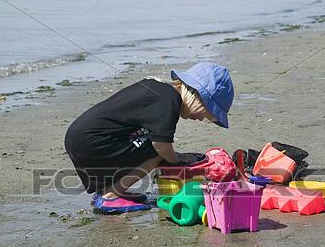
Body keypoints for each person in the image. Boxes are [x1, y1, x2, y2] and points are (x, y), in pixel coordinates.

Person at [64, 62, 234, 213]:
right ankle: (110, 196)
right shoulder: (169, 100)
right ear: (197, 96)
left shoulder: (160, 91)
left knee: (146, 144)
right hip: (92, 142)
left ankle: (108, 190)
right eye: (206, 113)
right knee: (158, 153)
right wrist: (178, 159)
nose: (200, 119)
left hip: (82, 138)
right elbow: (161, 145)